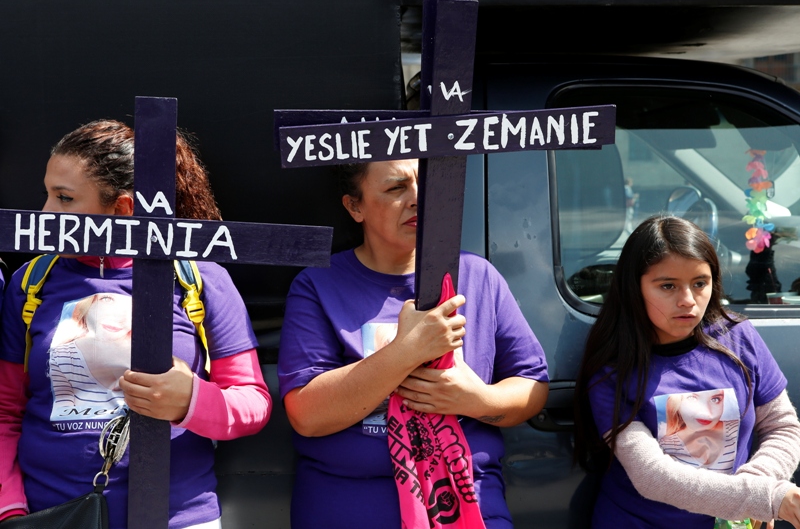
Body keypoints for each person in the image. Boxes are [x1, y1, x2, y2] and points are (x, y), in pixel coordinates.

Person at [0, 120, 272, 528]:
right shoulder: (30, 283)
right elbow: (5, 411)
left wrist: (191, 400)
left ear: (123, 209)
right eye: (47, 194)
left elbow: (253, 403)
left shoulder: (199, 277)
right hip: (53, 516)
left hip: (178, 517)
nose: (46, 214)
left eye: (65, 198)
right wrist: (11, 507)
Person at [277, 158, 550, 528]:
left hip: (468, 497)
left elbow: (532, 387)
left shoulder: (479, 276)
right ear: (354, 206)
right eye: (396, 188)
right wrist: (407, 351)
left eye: (427, 183)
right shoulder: (317, 285)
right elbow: (306, 416)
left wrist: (475, 400)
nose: (417, 198)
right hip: (351, 502)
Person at [574, 215, 800, 528]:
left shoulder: (738, 336)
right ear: (633, 287)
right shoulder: (613, 367)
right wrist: (768, 498)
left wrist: (757, 484)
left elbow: (782, 426)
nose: (688, 301)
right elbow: (652, 476)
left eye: (700, 284)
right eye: (667, 286)